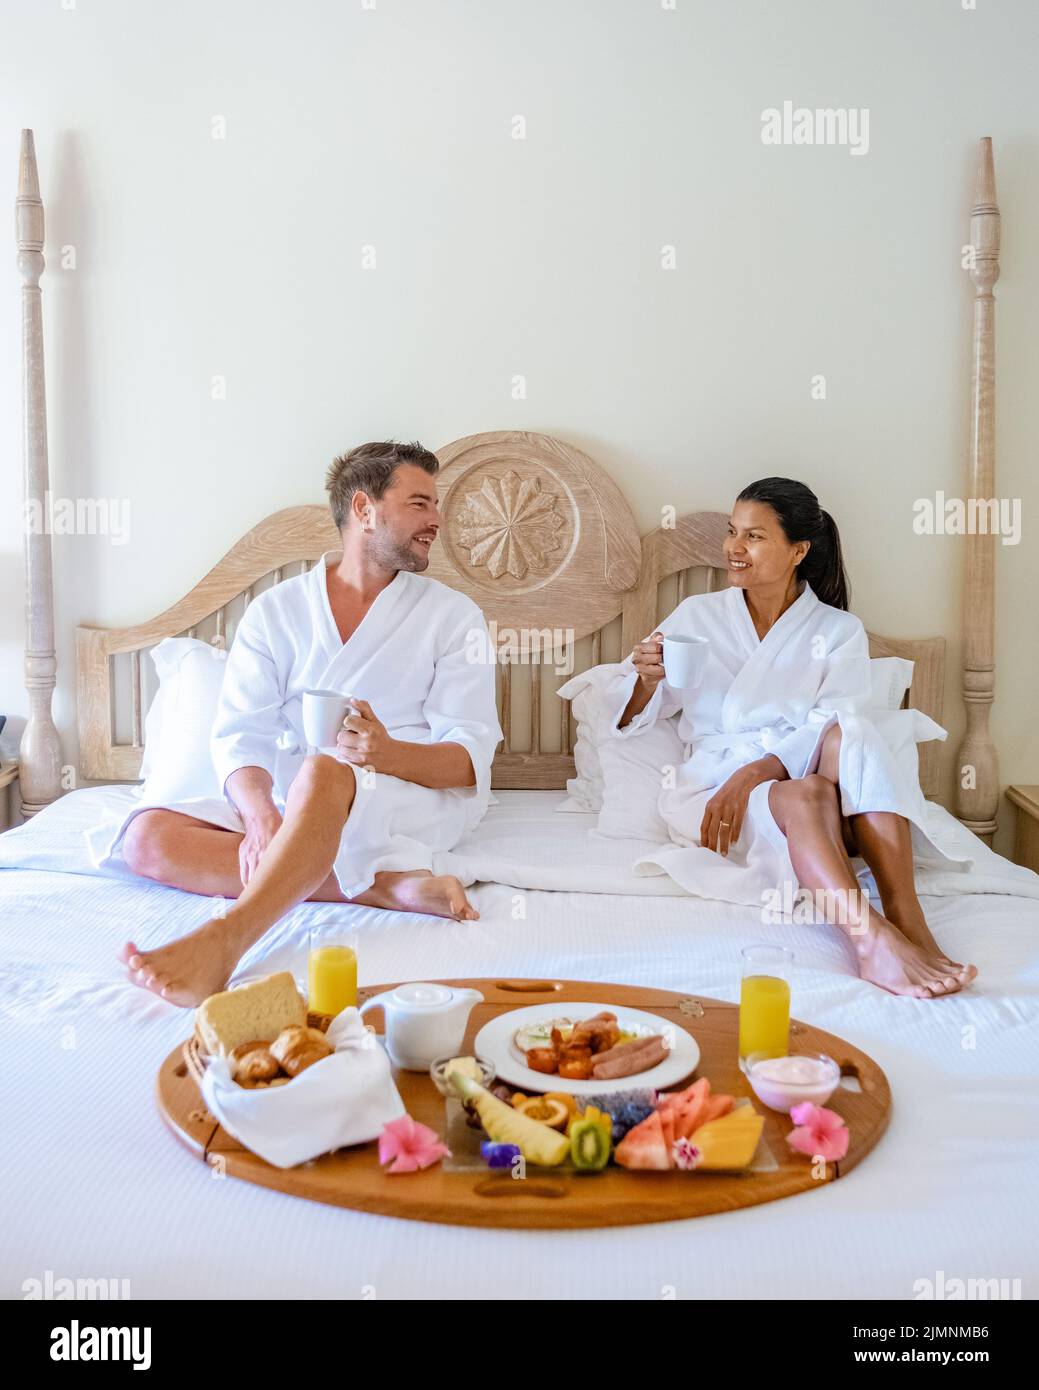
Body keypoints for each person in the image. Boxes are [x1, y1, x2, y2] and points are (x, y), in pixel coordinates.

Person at [114, 441, 502, 1006]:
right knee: (144, 840)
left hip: (407, 794)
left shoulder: (451, 616)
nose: (436, 521)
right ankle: (383, 888)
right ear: (365, 510)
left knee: (324, 772)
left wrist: (385, 753)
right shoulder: (278, 610)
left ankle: (225, 940)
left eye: (435, 506)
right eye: (420, 504)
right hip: (296, 796)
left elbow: (468, 761)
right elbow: (239, 734)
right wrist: (260, 813)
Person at [614, 477, 977, 1000]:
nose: (733, 549)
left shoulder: (837, 630)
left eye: (754, 537)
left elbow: (840, 726)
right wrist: (646, 679)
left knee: (850, 730)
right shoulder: (697, 617)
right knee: (809, 790)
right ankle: (871, 939)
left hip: (804, 780)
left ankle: (905, 914)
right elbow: (632, 721)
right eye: (732, 532)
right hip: (715, 791)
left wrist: (761, 768)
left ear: (798, 550)